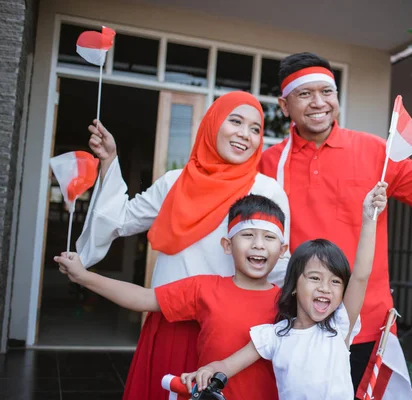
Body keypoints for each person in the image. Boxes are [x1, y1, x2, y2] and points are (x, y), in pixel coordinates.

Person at [258, 52, 412, 397]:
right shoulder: (268, 163)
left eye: (326, 92)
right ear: (284, 105)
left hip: (366, 323)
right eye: (304, 94)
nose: (318, 103)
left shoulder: (375, 150)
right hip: (294, 324)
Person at [77, 91, 290, 400]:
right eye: (236, 121)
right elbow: (120, 220)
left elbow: (279, 265)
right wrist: (110, 160)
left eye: (256, 128)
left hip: (234, 335)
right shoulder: (174, 182)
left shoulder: (267, 190)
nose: (245, 134)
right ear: (213, 124)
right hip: (172, 323)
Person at [57, 194, 288, 400]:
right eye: (247, 235)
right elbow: (143, 299)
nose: (258, 245)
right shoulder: (204, 288)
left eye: (269, 237)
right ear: (227, 245)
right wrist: (83, 277)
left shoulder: (289, 303)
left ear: (282, 250)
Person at [182, 182, 387, 400]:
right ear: (294, 288)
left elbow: (361, 275)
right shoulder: (274, 335)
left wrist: (369, 218)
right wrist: (207, 371)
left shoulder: (339, 326)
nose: (324, 288)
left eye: (335, 282)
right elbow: (226, 365)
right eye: (315, 278)